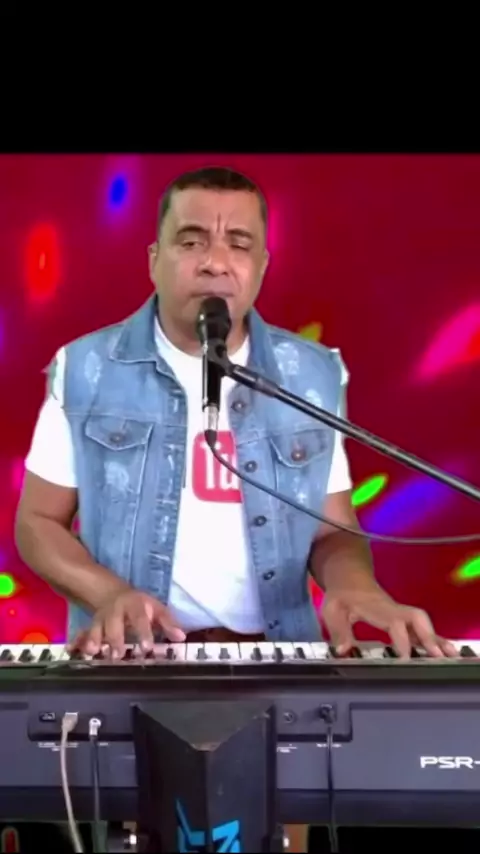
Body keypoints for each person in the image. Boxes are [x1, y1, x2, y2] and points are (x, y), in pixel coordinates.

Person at [15, 166, 456, 852]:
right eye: (192, 240)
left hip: (278, 667)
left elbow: (333, 532)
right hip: (136, 667)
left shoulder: (313, 375)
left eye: (238, 243)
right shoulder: (86, 369)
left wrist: (357, 588)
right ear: (155, 259)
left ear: (262, 266)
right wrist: (109, 595)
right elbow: (37, 523)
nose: (216, 261)